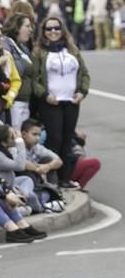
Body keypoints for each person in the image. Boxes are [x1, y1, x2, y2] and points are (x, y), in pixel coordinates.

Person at [33, 17, 89, 187]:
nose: (53, 32)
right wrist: (45, 95)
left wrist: (82, 92)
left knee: (67, 140)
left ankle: (65, 179)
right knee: (54, 139)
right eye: (48, 29)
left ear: (62, 30)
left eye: (56, 28)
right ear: (43, 32)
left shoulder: (72, 50)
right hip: (51, 103)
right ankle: (51, 179)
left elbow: (85, 74)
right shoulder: (39, 52)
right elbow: (34, 79)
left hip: (71, 102)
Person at [1, 14, 35, 130]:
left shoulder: (23, 48)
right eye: (27, 26)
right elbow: (9, 71)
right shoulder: (6, 44)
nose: (31, 30)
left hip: (25, 101)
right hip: (14, 101)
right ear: (16, 27)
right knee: (16, 138)